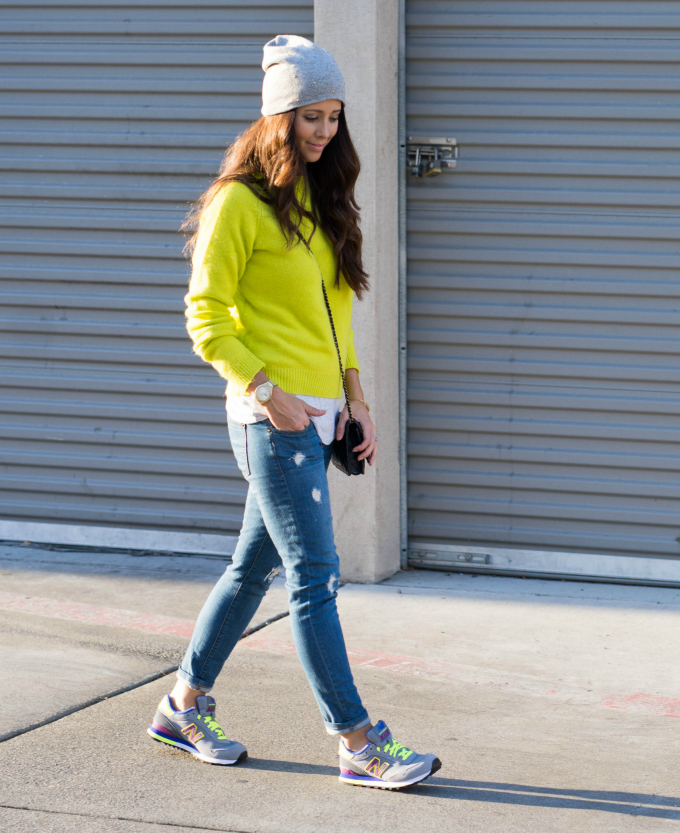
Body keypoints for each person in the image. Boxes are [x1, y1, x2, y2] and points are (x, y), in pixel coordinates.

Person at [145, 35, 441, 790]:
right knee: (315, 575)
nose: (325, 132)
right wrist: (268, 391)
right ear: (279, 116)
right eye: (312, 116)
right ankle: (358, 739)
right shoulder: (236, 203)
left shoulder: (319, 198)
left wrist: (357, 398)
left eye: (334, 117)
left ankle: (182, 706)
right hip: (267, 419)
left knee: (251, 570)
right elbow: (205, 315)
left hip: (319, 416)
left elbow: (338, 306)